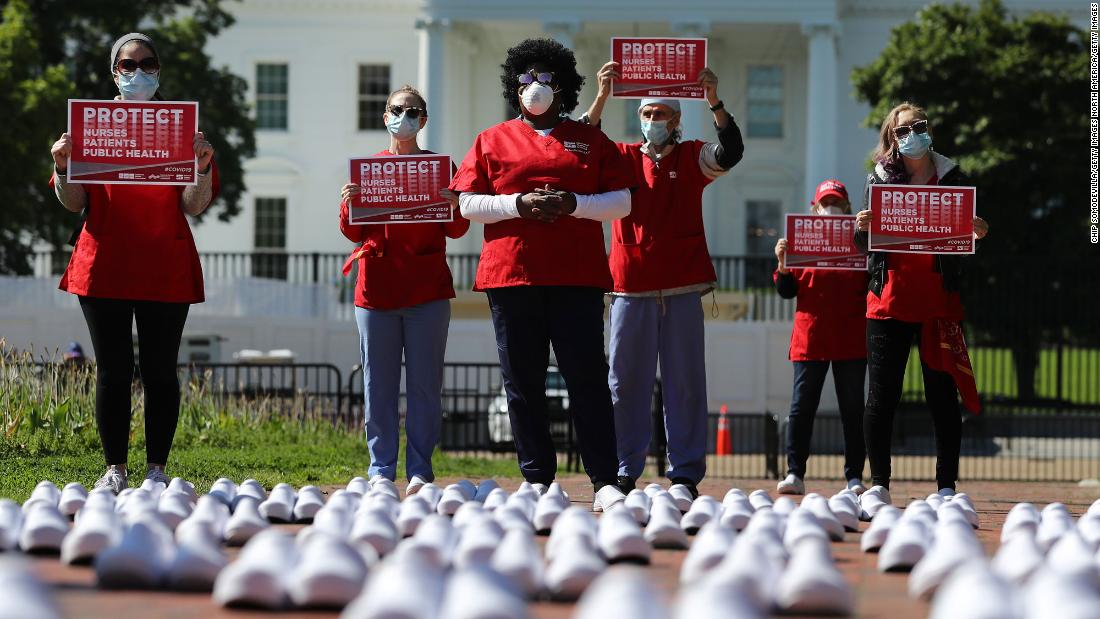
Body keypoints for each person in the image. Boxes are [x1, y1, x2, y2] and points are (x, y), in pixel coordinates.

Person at [450, 38, 635, 510]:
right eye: (526, 78)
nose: (535, 86)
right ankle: (536, 479)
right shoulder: (491, 139)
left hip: (576, 278)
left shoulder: (589, 140)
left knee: (587, 378)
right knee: (523, 381)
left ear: (563, 86)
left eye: (545, 77)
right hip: (512, 275)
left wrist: (575, 205)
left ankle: (605, 480)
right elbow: (467, 202)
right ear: (514, 87)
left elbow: (622, 200)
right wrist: (519, 205)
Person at [48, 33, 219, 493]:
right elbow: (72, 200)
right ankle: (115, 469)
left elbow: (195, 203)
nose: (138, 72)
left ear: (159, 70)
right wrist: (64, 166)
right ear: (114, 72)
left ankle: (157, 470)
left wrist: (201, 167)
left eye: (147, 63)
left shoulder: (183, 131)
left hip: (165, 264)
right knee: (112, 370)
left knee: (161, 371)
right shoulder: (91, 127)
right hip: (103, 264)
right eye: (127, 65)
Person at [581, 62, 744, 499]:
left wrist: (715, 101)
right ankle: (622, 469)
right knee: (623, 381)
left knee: (685, 381)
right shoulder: (622, 157)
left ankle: (685, 473)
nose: (654, 121)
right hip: (628, 288)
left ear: (676, 120)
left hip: (682, 289)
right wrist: (601, 96)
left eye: (662, 115)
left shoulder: (693, 155)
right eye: (647, 114)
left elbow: (730, 152)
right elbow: (579, 148)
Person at [854, 102, 989, 506]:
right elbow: (865, 247)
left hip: (938, 304)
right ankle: (879, 483)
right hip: (889, 301)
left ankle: (946, 486)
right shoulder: (877, 180)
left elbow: (960, 245)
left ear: (930, 129)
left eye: (919, 126)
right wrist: (862, 229)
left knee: (942, 399)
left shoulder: (953, 177)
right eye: (903, 129)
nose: (912, 134)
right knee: (882, 396)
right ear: (891, 139)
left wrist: (977, 233)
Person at [339, 85, 469, 496]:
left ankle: (419, 470)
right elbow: (352, 231)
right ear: (385, 116)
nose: (404, 116)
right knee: (377, 386)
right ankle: (380, 469)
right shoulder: (368, 170)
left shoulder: (442, 170)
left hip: (427, 293)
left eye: (413, 111)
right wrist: (348, 203)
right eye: (397, 109)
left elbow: (458, 228)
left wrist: (454, 203)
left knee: (425, 386)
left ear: (423, 120)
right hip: (376, 293)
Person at [772, 180, 868, 496]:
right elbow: (787, 292)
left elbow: (873, 283)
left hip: (850, 337)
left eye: (837, 203)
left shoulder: (861, 241)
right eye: (826, 203)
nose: (831, 208)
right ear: (814, 207)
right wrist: (783, 267)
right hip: (811, 337)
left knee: (853, 409)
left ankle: (854, 476)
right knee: (802, 407)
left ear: (847, 208)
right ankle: (795, 472)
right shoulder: (802, 240)